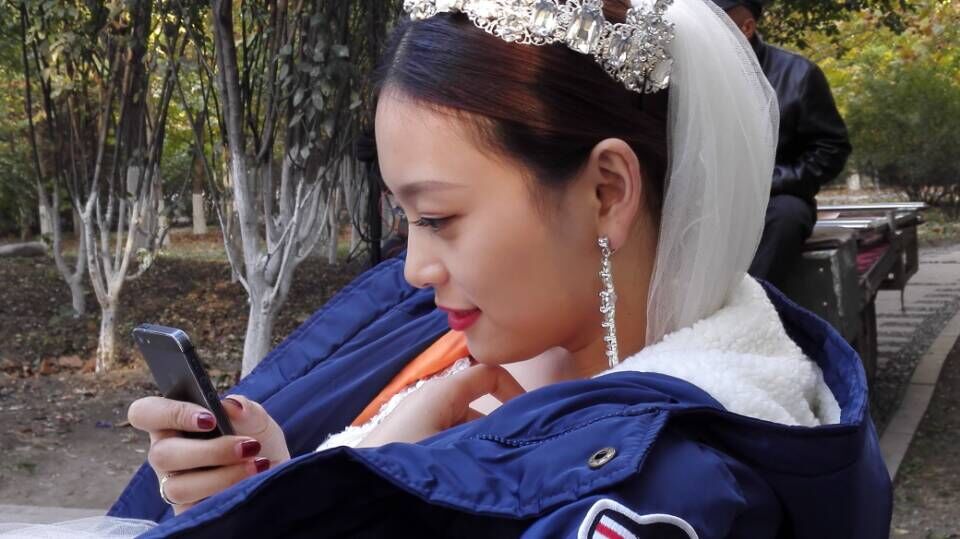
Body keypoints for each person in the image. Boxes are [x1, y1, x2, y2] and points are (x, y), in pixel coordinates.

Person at [0, 1, 890, 537]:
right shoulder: (457, 338)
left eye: (439, 218)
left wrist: (339, 497)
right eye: (405, 220)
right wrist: (271, 483)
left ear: (606, 191)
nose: (413, 269)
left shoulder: (669, 492)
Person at [712, 0, 853, 290]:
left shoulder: (800, 75)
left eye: (714, 25)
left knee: (786, 217)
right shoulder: (691, 74)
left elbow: (832, 149)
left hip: (777, 198)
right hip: (711, 198)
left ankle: (753, 305)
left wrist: (770, 182)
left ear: (747, 28)